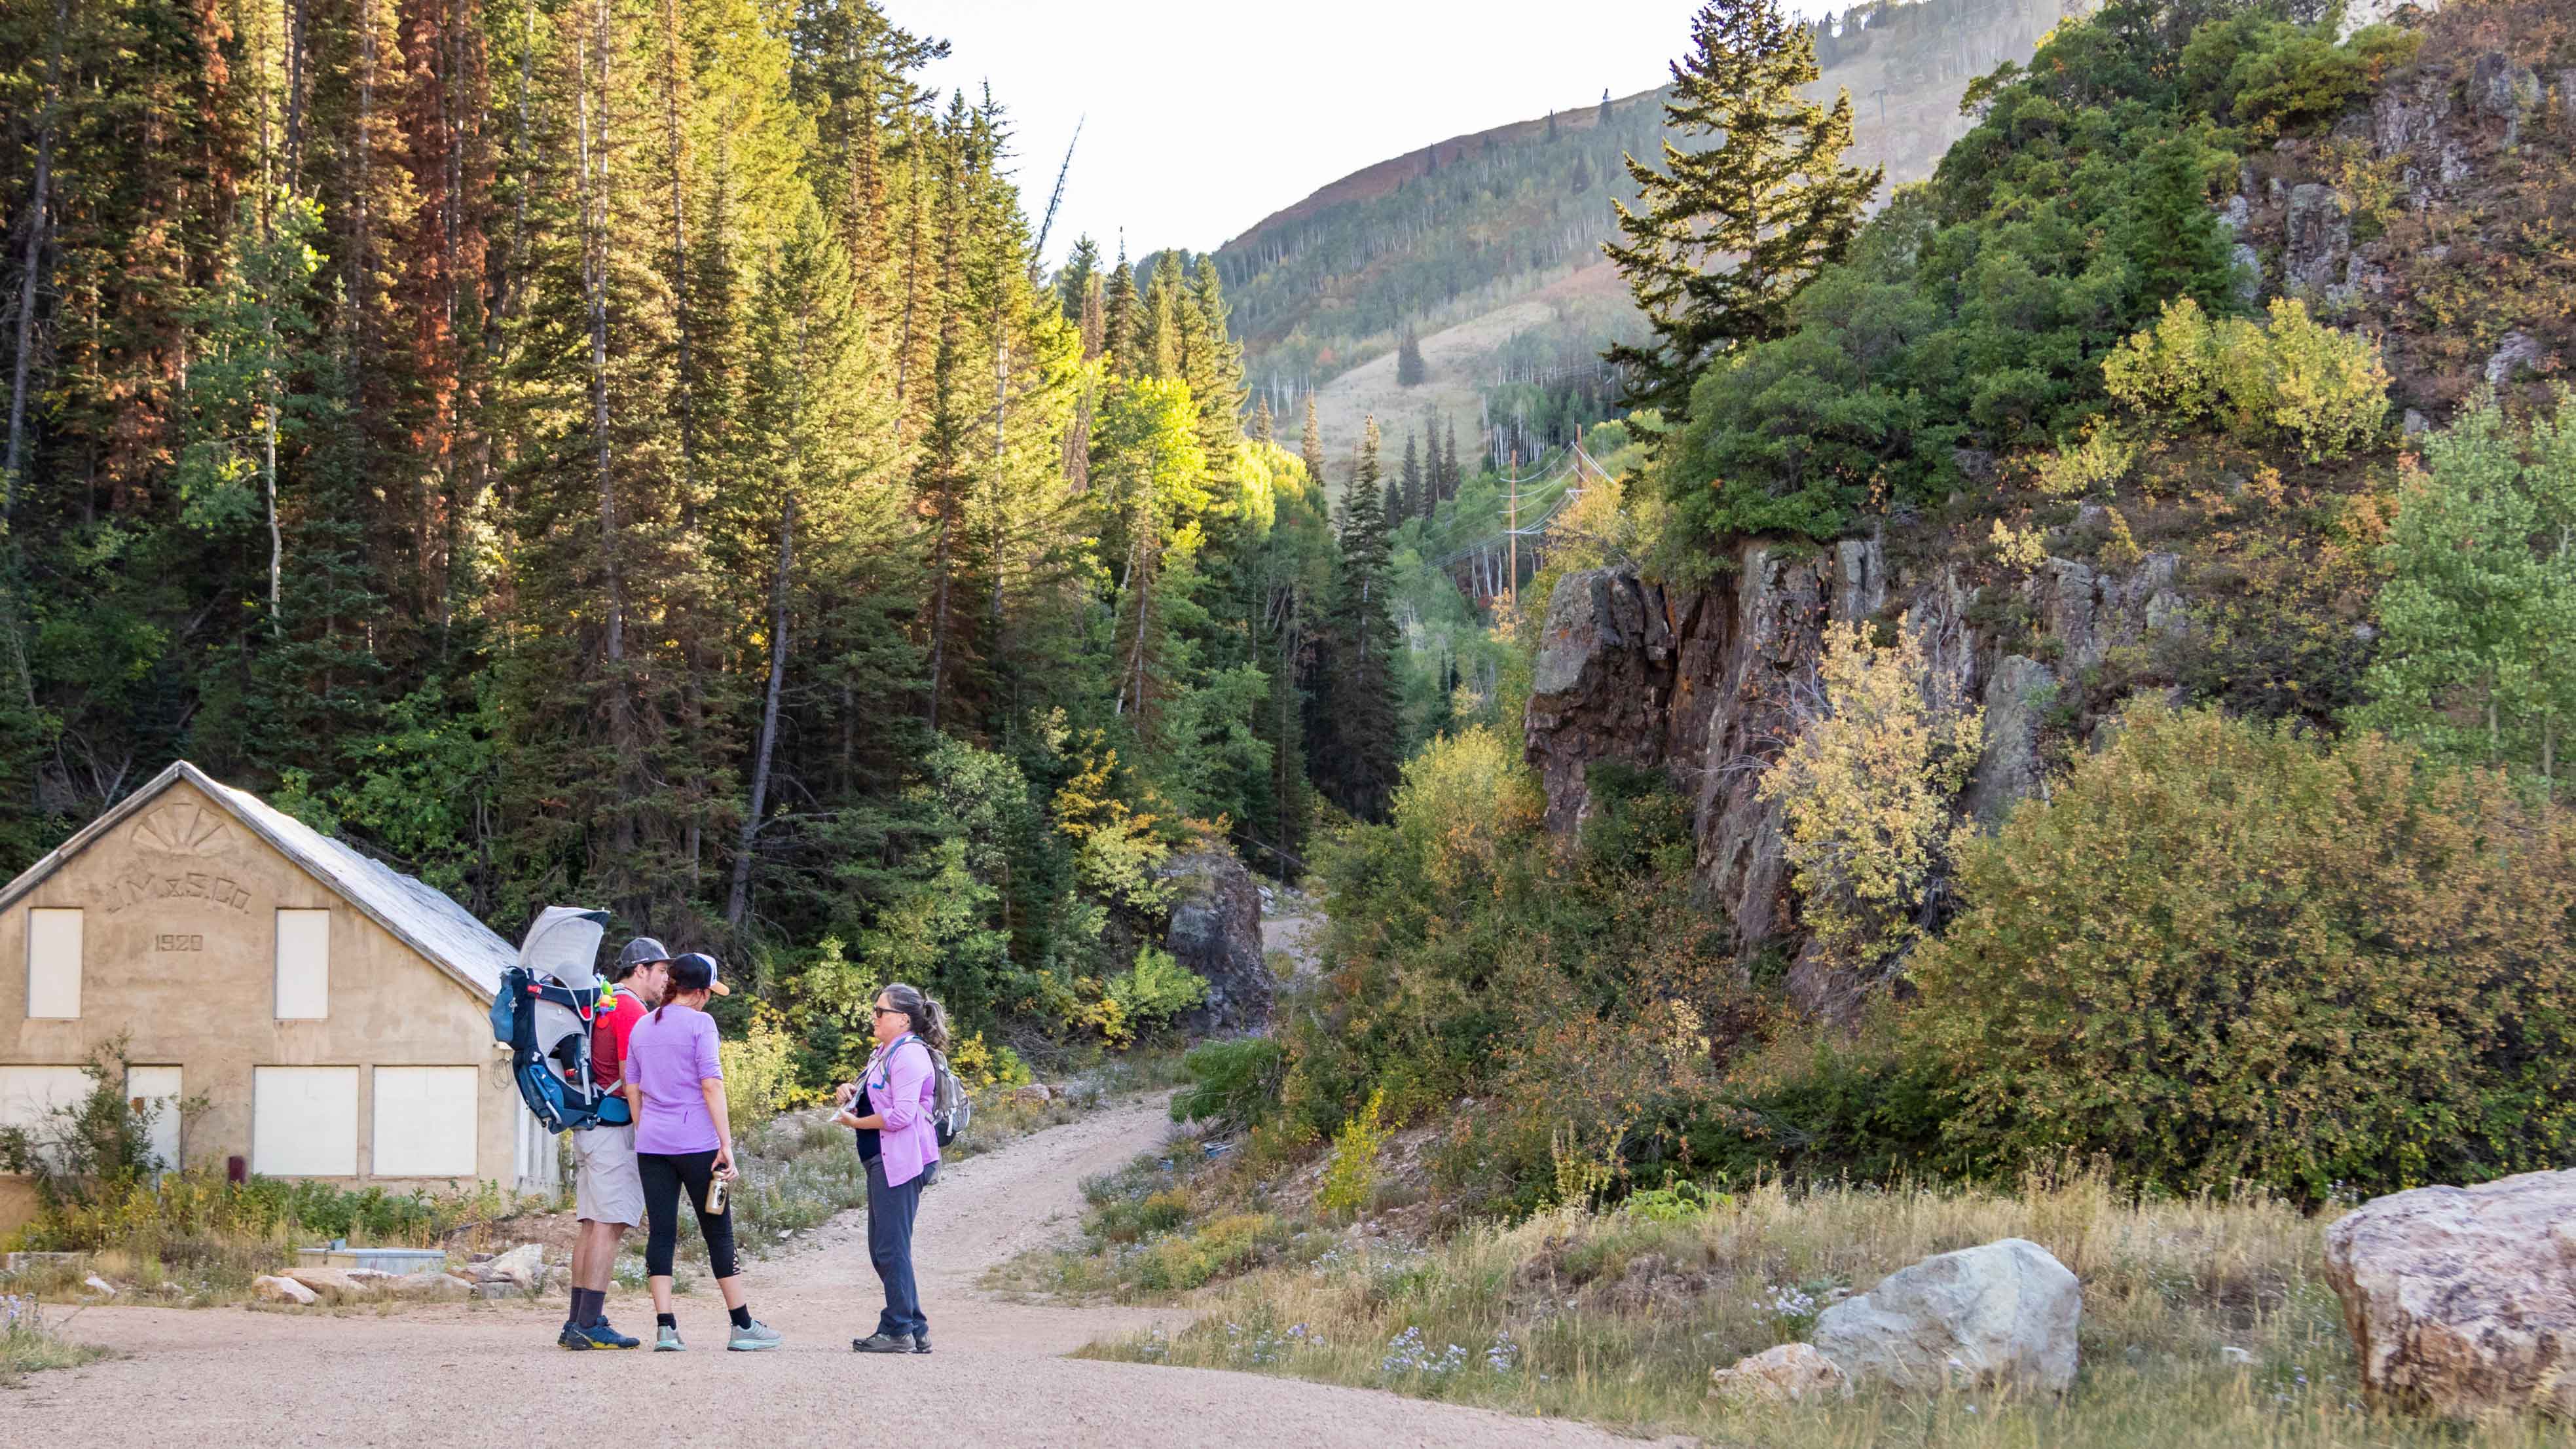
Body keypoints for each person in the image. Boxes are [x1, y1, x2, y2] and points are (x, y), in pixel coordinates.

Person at [622, 951, 780, 1352]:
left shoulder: (641, 1026)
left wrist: (648, 1132)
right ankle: (742, 1325)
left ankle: (666, 1328)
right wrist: (726, 1145)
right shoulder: (702, 1024)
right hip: (700, 1148)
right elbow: (712, 1084)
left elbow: (633, 1089)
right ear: (703, 992)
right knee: (717, 1228)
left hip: (653, 1147)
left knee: (661, 1232)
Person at [560, 936, 671, 1350]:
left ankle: (576, 1321)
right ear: (640, 970)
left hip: (591, 1126)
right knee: (609, 1225)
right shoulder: (630, 1009)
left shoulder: (607, 1003)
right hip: (613, 1130)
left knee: (592, 1225)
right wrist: (648, 1133)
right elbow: (632, 1077)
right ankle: (590, 1323)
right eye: (661, 971)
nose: (666, 979)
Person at [834, 981, 946, 1354]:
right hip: (882, 1160)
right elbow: (881, 1095)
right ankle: (914, 1327)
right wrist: (852, 1093)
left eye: (880, 1011)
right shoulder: (884, 1052)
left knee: (890, 1249)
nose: (874, 1017)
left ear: (902, 1019)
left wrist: (855, 1124)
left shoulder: (910, 1055)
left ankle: (898, 1329)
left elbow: (901, 1115)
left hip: (900, 1161)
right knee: (885, 1248)